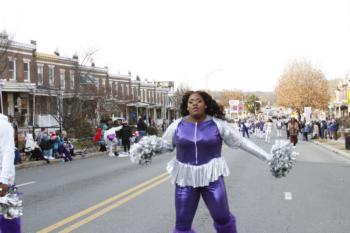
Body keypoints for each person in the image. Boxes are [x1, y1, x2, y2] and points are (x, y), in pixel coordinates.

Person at [162, 91, 273, 233]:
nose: (195, 103)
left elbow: (241, 142)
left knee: (222, 218)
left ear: (206, 105)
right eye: (191, 102)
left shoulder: (218, 125)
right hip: (185, 179)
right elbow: (164, 145)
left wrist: (267, 157)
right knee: (182, 225)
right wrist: (145, 148)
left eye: (199, 101)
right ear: (187, 106)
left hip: (212, 178)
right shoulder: (177, 125)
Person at [0, 113, 21, 233]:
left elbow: (8, 152)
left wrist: (4, 180)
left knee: (10, 220)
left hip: (3, 182)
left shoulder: (3, 125)